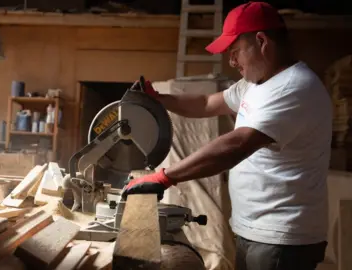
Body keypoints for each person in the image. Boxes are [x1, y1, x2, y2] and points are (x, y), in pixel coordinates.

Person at [122, 2, 332, 270]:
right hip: (256, 230)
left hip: (281, 237)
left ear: (261, 41)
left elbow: (238, 144)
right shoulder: (256, 84)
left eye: (235, 52)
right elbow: (207, 103)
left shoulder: (294, 87)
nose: (232, 62)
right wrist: (158, 99)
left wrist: (166, 176)